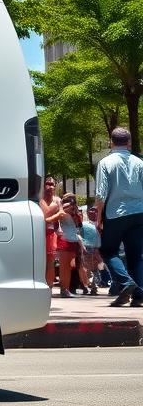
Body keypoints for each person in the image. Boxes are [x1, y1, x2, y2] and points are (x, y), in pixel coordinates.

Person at [95, 126, 143, 308]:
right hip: (138, 213)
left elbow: (100, 194)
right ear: (129, 142)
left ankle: (125, 282)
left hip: (115, 213)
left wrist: (98, 218)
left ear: (111, 142)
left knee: (108, 250)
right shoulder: (139, 162)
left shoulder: (105, 163)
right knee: (136, 255)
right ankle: (139, 295)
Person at [55, 193, 81, 299]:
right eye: (69, 199)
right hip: (64, 237)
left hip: (72, 238)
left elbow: (78, 224)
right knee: (64, 266)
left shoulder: (75, 210)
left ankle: (66, 289)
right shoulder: (63, 207)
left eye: (72, 199)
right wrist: (67, 208)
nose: (71, 201)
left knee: (69, 266)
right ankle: (64, 289)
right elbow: (60, 215)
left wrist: (75, 212)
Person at [39, 175, 61, 289]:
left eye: (52, 184)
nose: (50, 186)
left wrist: (49, 219)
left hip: (51, 233)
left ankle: (50, 286)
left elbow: (62, 213)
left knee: (50, 261)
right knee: (39, 260)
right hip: (38, 232)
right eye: (48, 184)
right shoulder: (39, 199)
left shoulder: (57, 200)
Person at [80, 205, 104, 295]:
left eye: (95, 210)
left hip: (97, 249)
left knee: (95, 269)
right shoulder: (84, 224)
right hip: (86, 248)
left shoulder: (101, 224)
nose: (93, 212)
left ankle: (93, 286)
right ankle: (87, 286)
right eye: (91, 210)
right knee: (86, 269)